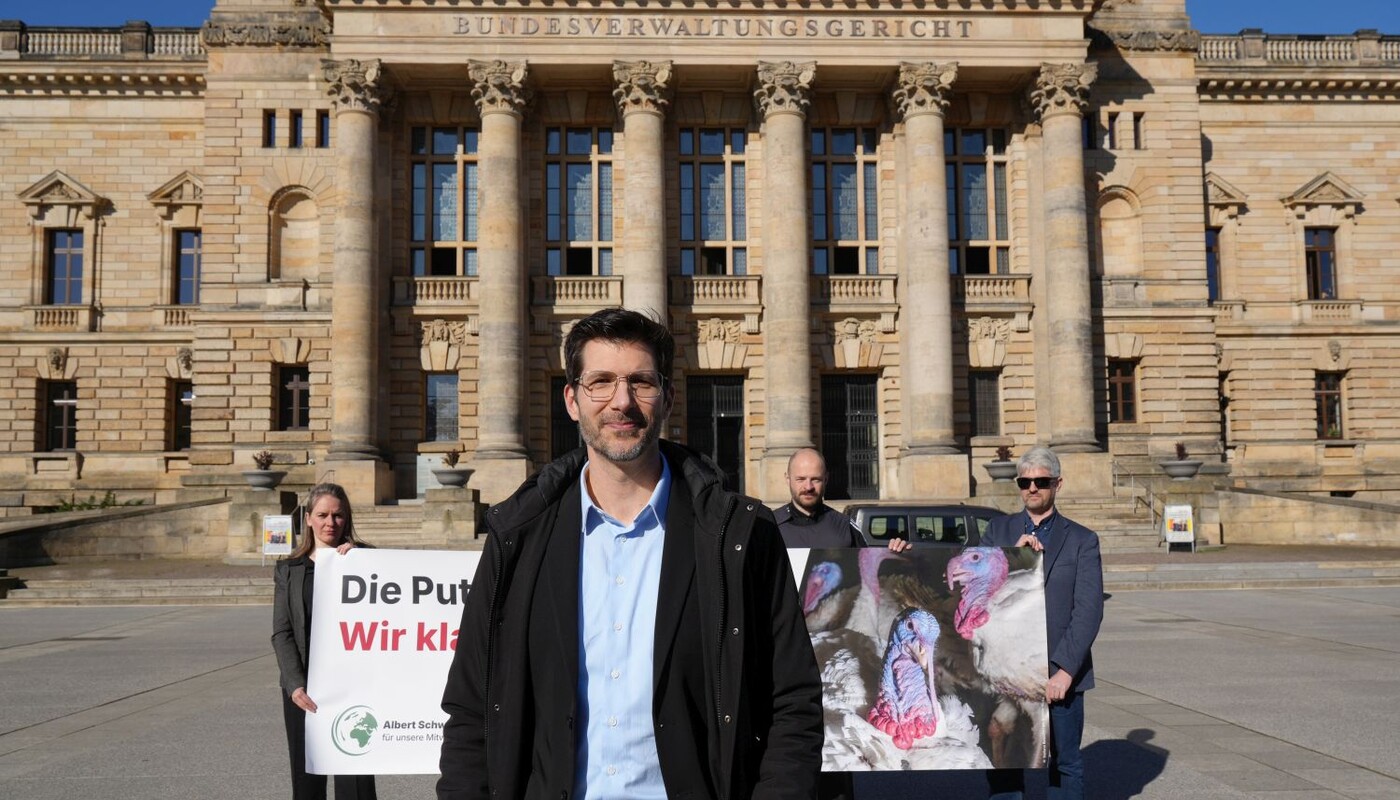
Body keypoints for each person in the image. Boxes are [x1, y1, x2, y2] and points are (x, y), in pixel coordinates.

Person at [437, 308, 823, 800]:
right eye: (600, 382)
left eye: (640, 382)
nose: (622, 401)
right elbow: (473, 708)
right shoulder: (517, 537)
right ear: (572, 400)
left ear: (668, 398)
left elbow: (793, 701)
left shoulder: (742, 535)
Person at [980, 447, 1104, 800]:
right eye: (1025, 481)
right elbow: (975, 594)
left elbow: (1089, 609)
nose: (1032, 488)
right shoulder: (997, 530)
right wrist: (1010, 558)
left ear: (1057, 484)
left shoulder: (1082, 540)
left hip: (1058, 674)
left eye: (1041, 481)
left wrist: (1065, 670)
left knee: (1064, 765)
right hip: (1005, 672)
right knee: (1004, 764)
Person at [271, 483, 377, 800]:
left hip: (352, 686)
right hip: (304, 688)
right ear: (308, 519)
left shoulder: (365, 559)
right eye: (323, 515)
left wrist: (362, 561)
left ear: (347, 519)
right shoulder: (288, 570)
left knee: (355, 783)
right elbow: (282, 632)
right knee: (307, 781)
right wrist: (295, 684)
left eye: (338, 515)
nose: (330, 523)